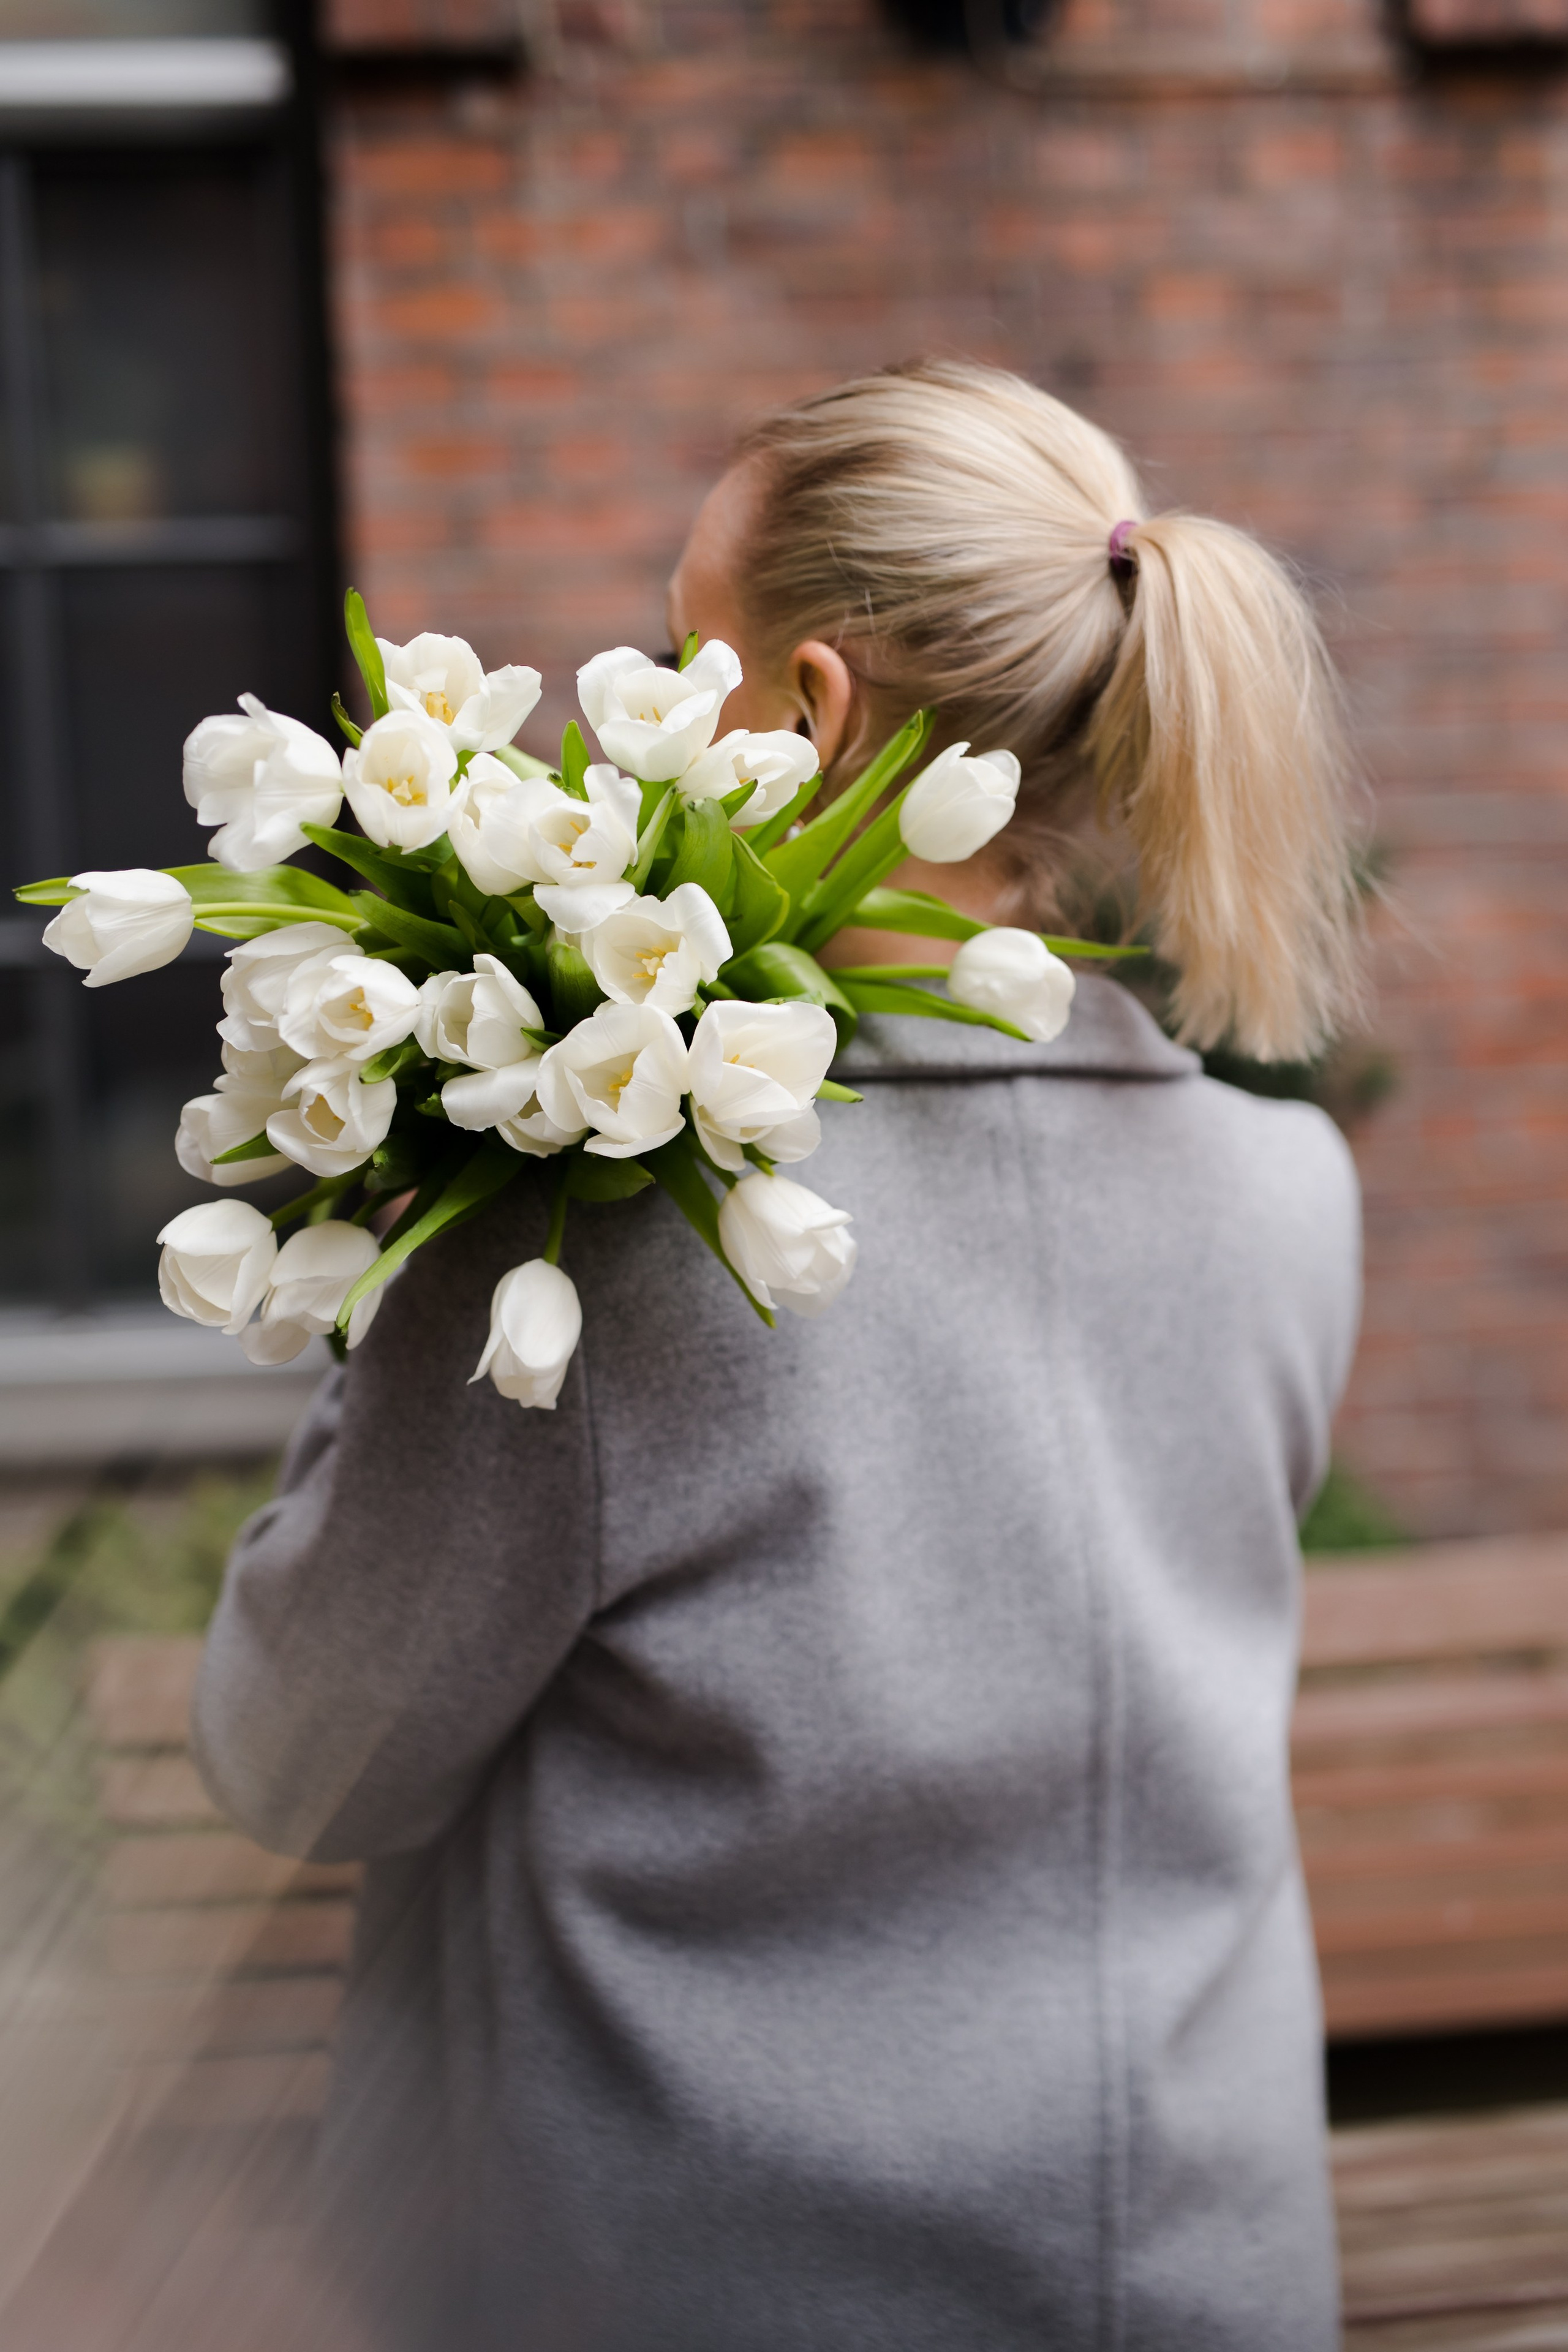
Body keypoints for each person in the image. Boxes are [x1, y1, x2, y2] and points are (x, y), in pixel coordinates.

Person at [193, 357, 1363, 2351]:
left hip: (712, 2285)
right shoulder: (1285, 1191)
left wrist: (413, 1222)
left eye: (675, 659)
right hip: (1199, 2276)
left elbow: (298, 1761)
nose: (615, 727)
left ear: (805, 714)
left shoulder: (604, 1236)